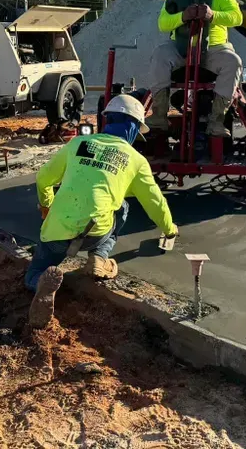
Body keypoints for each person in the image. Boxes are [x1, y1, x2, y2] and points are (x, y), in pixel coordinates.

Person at [25, 94, 179, 328]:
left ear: (108, 121)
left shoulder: (79, 144)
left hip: (57, 231)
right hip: (96, 233)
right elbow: (154, 202)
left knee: (35, 271)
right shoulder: (136, 161)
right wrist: (170, 230)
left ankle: (40, 284)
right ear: (133, 128)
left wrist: (47, 206)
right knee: (122, 207)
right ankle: (99, 257)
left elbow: (44, 179)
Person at [147, 0, 243, 137]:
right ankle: (159, 117)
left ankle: (216, 121)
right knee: (159, 55)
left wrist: (213, 15)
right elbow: (162, 23)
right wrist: (183, 16)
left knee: (233, 62)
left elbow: (237, 17)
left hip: (214, 49)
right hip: (181, 50)